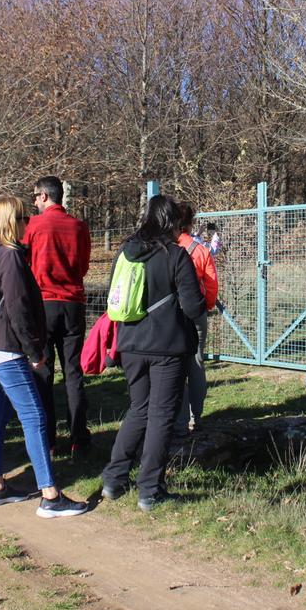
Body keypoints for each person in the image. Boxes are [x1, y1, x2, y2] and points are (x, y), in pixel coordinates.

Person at [0, 195, 88, 519]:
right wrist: (34, 350)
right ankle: (50, 494)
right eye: (25, 217)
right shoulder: (9, 257)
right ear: (13, 221)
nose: (29, 222)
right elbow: (18, 310)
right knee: (35, 416)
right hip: (7, 349)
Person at [101, 195, 206, 512]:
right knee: (161, 415)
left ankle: (114, 479)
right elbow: (193, 306)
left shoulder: (126, 252)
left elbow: (114, 295)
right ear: (171, 222)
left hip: (130, 343)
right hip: (167, 346)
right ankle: (150, 490)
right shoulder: (176, 256)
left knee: (139, 409)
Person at [21, 175, 92, 455]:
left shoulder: (34, 226)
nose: (35, 201)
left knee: (43, 373)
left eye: (36, 196)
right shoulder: (78, 227)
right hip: (73, 303)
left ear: (45, 196)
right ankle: (78, 437)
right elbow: (84, 266)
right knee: (73, 373)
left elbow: (24, 262)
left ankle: (48, 441)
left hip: (44, 303)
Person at [175, 203, 218, 434]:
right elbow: (211, 284)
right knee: (197, 360)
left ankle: (180, 420)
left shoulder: (167, 248)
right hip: (197, 313)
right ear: (190, 224)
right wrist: (207, 306)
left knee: (176, 365)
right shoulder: (200, 250)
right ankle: (195, 416)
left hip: (173, 315)